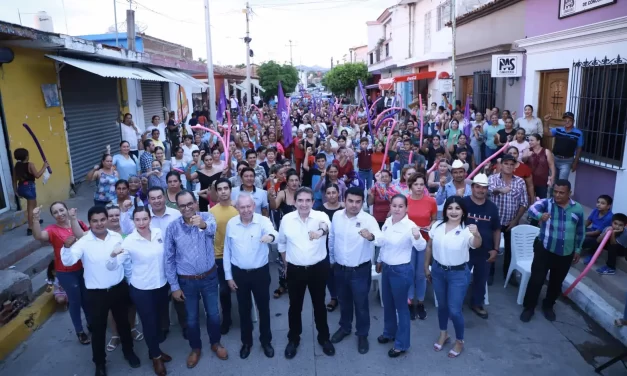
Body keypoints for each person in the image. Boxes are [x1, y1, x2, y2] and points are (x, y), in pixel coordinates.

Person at [60, 206, 140, 376]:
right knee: (98, 330)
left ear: (107, 219)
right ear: (89, 223)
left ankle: (129, 352)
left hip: (118, 289)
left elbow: (124, 261)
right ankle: (100, 363)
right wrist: (66, 248)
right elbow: (68, 261)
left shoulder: (116, 237)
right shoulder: (83, 242)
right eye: (95, 221)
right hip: (96, 294)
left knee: (124, 324)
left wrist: (130, 280)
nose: (99, 224)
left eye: (102, 219)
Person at [164, 190, 227, 368]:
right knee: (191, 319)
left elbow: (213, 231)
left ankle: (216, 343)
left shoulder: (207, 217)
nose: (187, 208)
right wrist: (174, 286)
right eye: (182, 205)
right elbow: (168, 258)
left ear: (195, 203)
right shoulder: (172, 228)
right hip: (186, 281)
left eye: (190, 203)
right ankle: (195, 348)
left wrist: (203, 225)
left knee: (213, 314)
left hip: (209, 278)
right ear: (178, 207)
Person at [118, 187, 187, 340]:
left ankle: (185, 325)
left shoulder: (175, 214)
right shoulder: (144, 215)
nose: (156, 200)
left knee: (179, 297)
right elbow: (127, 229)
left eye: (159, 197)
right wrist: (123, 212)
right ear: (148, 200)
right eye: (153, 198)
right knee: (160, 302)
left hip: (176, 263)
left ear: (165, 197)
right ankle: (163, 327)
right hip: (153, 267)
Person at [111, 207, 172, 376]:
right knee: (149, 323)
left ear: (150, 219)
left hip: (161, 285)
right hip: (142, 289)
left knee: (160, 321)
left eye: (145, 219)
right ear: (133, 221)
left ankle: (155, 351)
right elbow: (116, 264)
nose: (142, 223)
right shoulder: (129, 241)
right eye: (137, 220)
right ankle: (156, 357)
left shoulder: (159, 233)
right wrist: (112, 256)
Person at [278, 187, 335, 359]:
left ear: (313, 202)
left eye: (307, 200)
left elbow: (327, 227)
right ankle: (293, 339)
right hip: (295, 270)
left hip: (318, 269)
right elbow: (282, 244)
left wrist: (318, 232)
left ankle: (324, 338)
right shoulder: (287, 219)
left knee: (319, 305)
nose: (304, 204)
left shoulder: (320, 217)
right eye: (300, 200)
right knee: (295, 307)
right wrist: (287, 264)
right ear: (294, 202)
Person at [425, 196, 481, 358]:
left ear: (463, 211)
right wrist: (426, 267)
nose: (454, 212)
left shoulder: (467, 229)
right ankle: (444, 334)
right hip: (438, 271)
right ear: (445, 210)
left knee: (455, 310)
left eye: (458, 208)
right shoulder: (437, 225)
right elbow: (429, 247)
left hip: (458, 273)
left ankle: (459, 341)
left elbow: (476, 244)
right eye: (450, 208)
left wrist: (477, 235)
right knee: (442, 306)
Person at [223, 194, 278, 359]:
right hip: (239, 274)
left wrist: (270, 237)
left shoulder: (262, 221)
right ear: (237, 208)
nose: (246, 210)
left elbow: (274, 234)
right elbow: (227, 251)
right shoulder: (232, 224)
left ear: (253, 206)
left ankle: (266, 341)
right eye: (242, 207)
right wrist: (228, 276)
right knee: (243, 309)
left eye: (249, 206)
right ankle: (246, 342)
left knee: (264, 308)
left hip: (260, 273)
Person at [522, 180, 584, 323]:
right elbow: (532, 208)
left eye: (561, 192)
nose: (557, 195)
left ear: (570, 193)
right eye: (555, 191)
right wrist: (540, 216)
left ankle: (548, 305)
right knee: (536, 280)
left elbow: (580, 231)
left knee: (556, 282)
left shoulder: (578, 209)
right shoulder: (547, 203)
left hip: (565, 253)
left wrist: (578, 249)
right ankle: (529, 307)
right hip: (545, 249)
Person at [329, 187, 381, 354]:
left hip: (360, 270)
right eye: (350, 201)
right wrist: (331, 259)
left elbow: (380, 239)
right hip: (339, 268)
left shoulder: (368, 219)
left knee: (361, 305)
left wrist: (371, 237)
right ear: (344, 200)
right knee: (344, 302)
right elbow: (332, 238)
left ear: (362, 202)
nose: (354, 205)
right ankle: (345, 328)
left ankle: (362, 334)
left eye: (358, 202)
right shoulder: (337, 216)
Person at [374, 194, 426, 357]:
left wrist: (417, 236)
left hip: (401, 271)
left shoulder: (410, 226)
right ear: (390, 206)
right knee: (388, 304)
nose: (397, 209)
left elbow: (420, 246)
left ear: (406, 208)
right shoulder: (388, 222)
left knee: (401, 309)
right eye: (394, 205)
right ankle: (389, 333)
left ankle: (402, 344)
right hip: (387, 269)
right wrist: (380, 259)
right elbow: (383, 244)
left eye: (400, 206)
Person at [32, 202, 90, 344]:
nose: (60, 214)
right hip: (66, 272)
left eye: (62, 210)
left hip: (85, 268)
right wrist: (35, 218)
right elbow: (39, 236)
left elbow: (88, 236)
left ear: (67, 210)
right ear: (52, 215)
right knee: (75, 301)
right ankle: (79, 331)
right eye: (56, 212)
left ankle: (91, 323)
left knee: (87, 299)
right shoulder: (52, 230)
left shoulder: (79, 223)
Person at [462, 174, 500, 319]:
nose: (481, 190)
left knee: (481, 278)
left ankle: (477, 303)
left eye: (484, 188)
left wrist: (495, 249)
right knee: (460, 277)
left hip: (485, 251)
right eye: (478, 187)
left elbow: (496, 229)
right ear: (472, 187)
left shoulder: (492, 208)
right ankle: (456, 303)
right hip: (464, 250)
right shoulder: (463, 204)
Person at [488, 153, 528, 285]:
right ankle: (489, 273)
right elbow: (489, 192)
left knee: (511, 251)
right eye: (506, 164)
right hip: (494, 222)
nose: (509, 166)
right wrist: (500, 190)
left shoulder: (520, 181)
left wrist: (516, 220)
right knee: (492, 248)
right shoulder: (493, 179)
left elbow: (524, 203)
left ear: (515, 166)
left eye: (512, 164)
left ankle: (509, 274)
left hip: (511, 221)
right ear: (501, 165)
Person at [209, 179, 240, 335]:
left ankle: (245, 317)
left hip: (239, 255)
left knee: (242, 288)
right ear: (216, 192)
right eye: (219, 189)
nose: (223, 191)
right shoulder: (212, 212)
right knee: (224, 291)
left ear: (230, 189)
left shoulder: (239, 208)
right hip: (219, 256)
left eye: (225, 188)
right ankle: (226, 319)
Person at [406, 172, 437, 320]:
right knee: (410, 273)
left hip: (425, 242)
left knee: (421, 273)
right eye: (416, 184)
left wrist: (430, 226)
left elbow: (434, 219)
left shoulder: (430, 201)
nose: (419, 187)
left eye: (421, 184)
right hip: (408, 243)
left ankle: (421, 302)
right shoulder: (405, 201)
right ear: (410, 186)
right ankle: (410, 302)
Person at [13, 148, 48, 235]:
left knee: (34, 203)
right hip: (29, 188)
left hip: (21, 188)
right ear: (26, 156)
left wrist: (16, 191)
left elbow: (14, 180)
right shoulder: (30, 165)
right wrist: (44, 166)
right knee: (30, 209)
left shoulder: (16, 166)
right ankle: (30, 228)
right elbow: (37, 175)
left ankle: (36, 219)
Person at [320, 184, 344, 312]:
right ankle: (334, 297)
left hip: (343, 245)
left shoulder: (345, 208)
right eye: (328, 193)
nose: (331, 195)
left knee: (343, 272)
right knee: (330, 273)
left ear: (338, 193)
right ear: (325, 195)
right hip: (326, 246)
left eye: (334, 192)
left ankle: (345, 296)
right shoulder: (320, 210)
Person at [542, 112, 583, 180]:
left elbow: (579, 148)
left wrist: (575, 162)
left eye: (569, 120)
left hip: (566, 161)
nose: (567, 122)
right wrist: (546, 122)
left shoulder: (578, 133)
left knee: (561, 182)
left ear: (573, 121)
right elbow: (546, 133)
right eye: (565, 120)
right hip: (554, 159)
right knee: (551, 181)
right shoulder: (558, 130)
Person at [521, 134, 555, 200]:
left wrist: (552, 177)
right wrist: (527, 156)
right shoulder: (527, 150)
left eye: (532, 140)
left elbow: (551, 165)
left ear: (538, 141)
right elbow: (523, 160)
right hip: (529, 180)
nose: (530, 142)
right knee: (529, 199)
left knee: (542, 200)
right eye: (529, 140)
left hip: (542, 180)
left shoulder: (546, 151)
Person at [582, 195, 614, 265]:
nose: (599, 204)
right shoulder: (595, 211)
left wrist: (583, 233)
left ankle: (592, 255)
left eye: (602, 203)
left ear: (608, 206)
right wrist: (581, 229)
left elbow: (597, 232)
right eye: (598, 202)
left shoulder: (609, 217)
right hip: (592, 230)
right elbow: (588, 221)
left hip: (600, 236)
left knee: (585, 239)